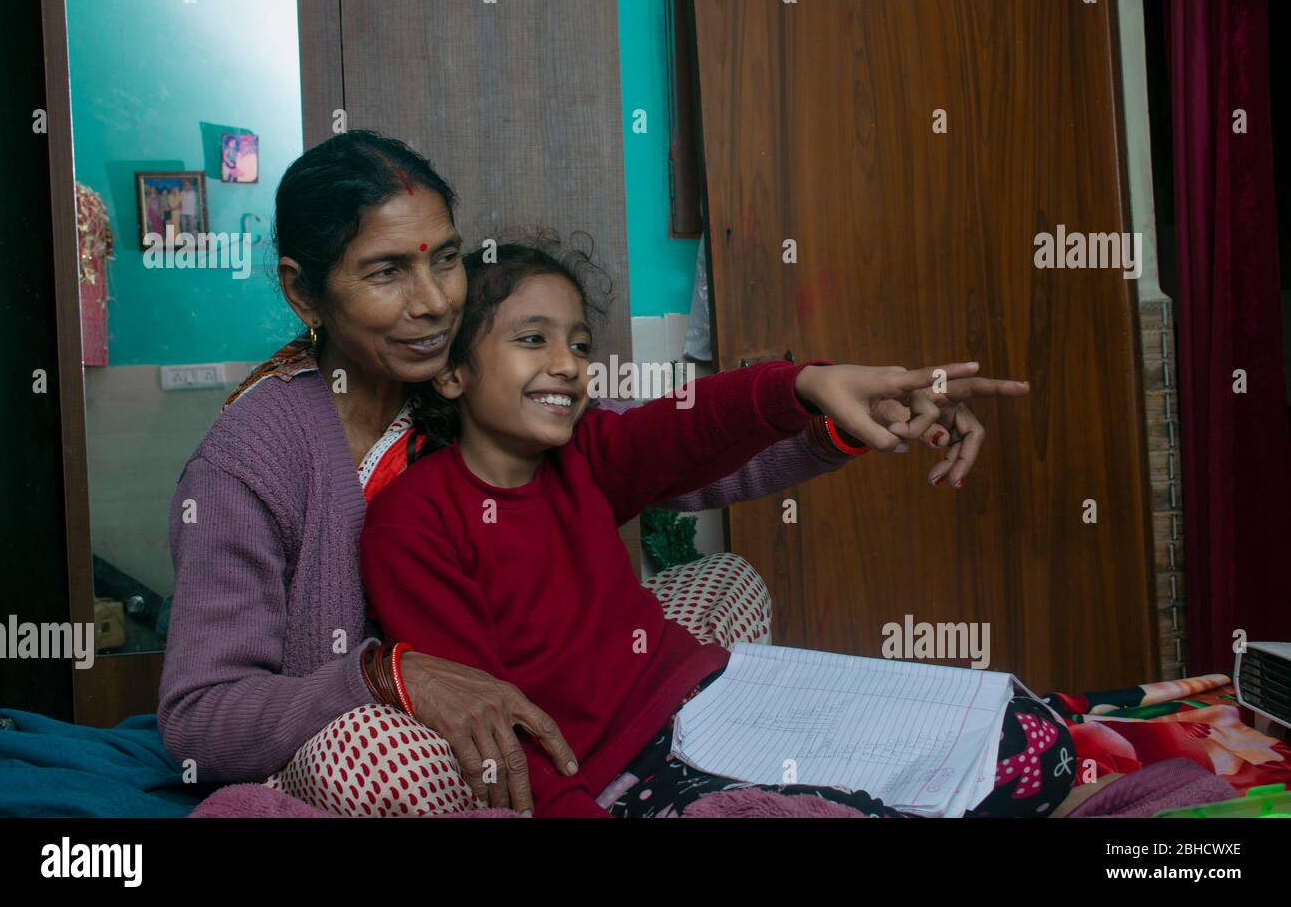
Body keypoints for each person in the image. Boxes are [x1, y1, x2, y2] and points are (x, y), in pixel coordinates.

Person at [157, 130, 1038, 816]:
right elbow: (199, 718)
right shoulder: (249, 464)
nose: (432, 300)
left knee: (722, 587)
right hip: (381, 732)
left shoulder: (459, 387)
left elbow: (663, 456)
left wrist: (832, 410)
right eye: (387, 272)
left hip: (523, 688)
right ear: (304, 293)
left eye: (447, 257)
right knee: (387, 752)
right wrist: (390, 676)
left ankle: (698, 774)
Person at [357, 241, 1072, 818]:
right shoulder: (413, 523)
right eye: (533, 339)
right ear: (451, 375)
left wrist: (802, 385)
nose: (568, 365)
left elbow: (689, 423)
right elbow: (493, 722)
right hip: (619, 775)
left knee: (1033, 738)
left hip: (715, 699)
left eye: (578, 344)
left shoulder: (589, 455)